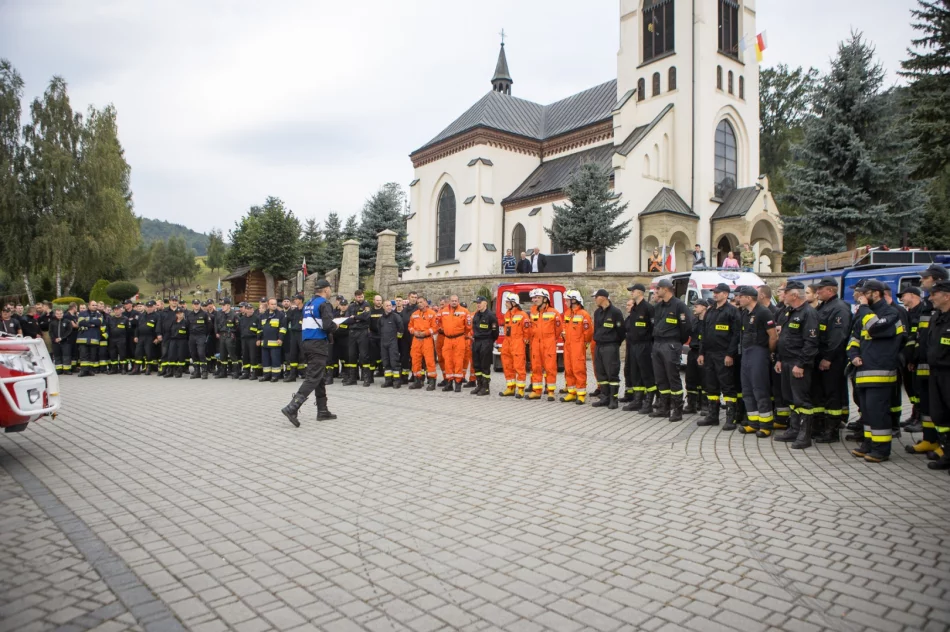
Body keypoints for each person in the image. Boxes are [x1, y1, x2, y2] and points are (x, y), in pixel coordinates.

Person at [848, 279, 904, 462]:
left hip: (880, 372)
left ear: (876, 294)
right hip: (862, 371)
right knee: (867, 412)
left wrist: (864, 309)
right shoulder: (865, 314)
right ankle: (869, 444)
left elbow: (875, 328)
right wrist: (854, 355)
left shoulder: (891, 314)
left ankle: (881, 450)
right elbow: (854, 338)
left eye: (865, 294)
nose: (861, 297)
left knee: (878, 412)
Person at [282, 279, 340, 426]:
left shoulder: (308, 303)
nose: (330, 291)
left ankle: (322, 410)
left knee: (319, 376)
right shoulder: (324, 304)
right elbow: (327, 325)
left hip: (306, 343)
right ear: (326, 289)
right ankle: (292, 407)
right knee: (313, 377)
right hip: (318, 343)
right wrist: (336, 326)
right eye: (330, 289)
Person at [906, 264, 948, 457]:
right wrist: (912, 356)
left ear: (937, 280)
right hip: (924, 363)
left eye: (926, 278)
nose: (922, 281)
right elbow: (919, 334)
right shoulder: (928, 305)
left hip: (940, 367)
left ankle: (942, 444)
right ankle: (930, 439)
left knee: (940, 407)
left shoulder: (939, 307)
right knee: (928, 404)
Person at [774, 281, 820, 449]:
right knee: (790, 398)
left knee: (802, 400)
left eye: (785, 292)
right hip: (786, 362)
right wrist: (779, 359)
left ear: (794, 295)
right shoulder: (788, 312)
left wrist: (801, 364)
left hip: (798, 363)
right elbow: (783, 338)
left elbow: (811, 343)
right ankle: (793, 429)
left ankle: (804, 434)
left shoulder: (808, 313)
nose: (782, 295)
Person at [811, 278, 851, 443]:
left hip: (833, 359)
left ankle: (832, 431)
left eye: (820, 289)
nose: (817, 292)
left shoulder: (839, 308)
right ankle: (820, 426)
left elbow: (838, 337)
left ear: (830, 290)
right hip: (820, 357)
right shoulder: (824, 306)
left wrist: (828, 358)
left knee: (832, 394)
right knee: (820, 393)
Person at [734, 286, 778, 437]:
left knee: (760, 389)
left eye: (741, 296)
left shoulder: (764, 312)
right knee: (747, 389)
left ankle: (766, 425)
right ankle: (753, 423)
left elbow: (773, 336)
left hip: (759, 352)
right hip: (747, 352)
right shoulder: (745, 313)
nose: (738, 298)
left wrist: (769, 352)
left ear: (749, 298)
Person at [698, 283, 741, 428]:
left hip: (724, 354)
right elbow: (703, 334)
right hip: (709, 354)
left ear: (726, 294)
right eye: (714, 292)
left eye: (717, 292)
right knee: (711, 385)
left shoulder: (732, 311)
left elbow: (736, 335)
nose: (714, 294)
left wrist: (730, 354)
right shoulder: (710, 311)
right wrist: (701, 353)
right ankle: (712, 416)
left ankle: (731, 418)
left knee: (727, 386)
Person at [650, 279, 691, 421]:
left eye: (658, 288)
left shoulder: (679, 306)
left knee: (673, 377)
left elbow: (686, 328)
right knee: (660, 378)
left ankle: (677, 409)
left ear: (666, 289)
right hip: (658, 344)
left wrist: (677, 343)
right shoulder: (658, 307)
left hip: (671, 344)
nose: (656, 291)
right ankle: (664, 408)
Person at [924, 279, 950, 470]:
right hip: (936, 373)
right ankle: (947, 454)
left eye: (934, 294)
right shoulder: (937, 317)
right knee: (939, 416)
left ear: (947, 296)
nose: (930, 297)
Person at [624, 283, 656, 413]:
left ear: (640, 292)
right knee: (635, 372)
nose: (631, 292)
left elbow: (653, 327)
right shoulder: (634, 309)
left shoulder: (648, 308)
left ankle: (648, 402)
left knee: (646, 373)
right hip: (633, 345)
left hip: (645, 345)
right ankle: (637, 400)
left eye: (633, 290)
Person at [591, 289, 625, 409]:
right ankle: (605, 397)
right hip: (599, 346)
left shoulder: (615, 312)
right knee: (601, 373)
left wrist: (615, 343)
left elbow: (621, 331)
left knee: (612, 373)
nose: (594, 299)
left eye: (596, 297)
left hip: (611, 346)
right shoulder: (597, 313)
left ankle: (613, 399)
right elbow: (596, 329)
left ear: (603, 297)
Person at [526, 288, 561, 400]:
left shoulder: (554, 312)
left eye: (538, 297)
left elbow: (558, 329)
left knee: (550, 367)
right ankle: (536, 391)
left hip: (548, 343)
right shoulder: (533, 312)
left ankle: (550, 391)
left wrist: (551, 339)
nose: (535, 299)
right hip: (535, 343)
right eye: (534, 297)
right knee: (535, 367)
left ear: (545, 299)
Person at [561, 290, 593, 403]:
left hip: (578, 345)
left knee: (578, 369)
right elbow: (564, 325)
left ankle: (581, 394)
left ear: (574, 300)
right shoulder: (567, 313)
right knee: (569, 369)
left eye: (567, 300)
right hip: (568, 345)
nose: (565, 302)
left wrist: (584, 343)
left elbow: (588, 331)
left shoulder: (584, 314)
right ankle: (572, 392)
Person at [437, 295, 470, 392]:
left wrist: (463, 333)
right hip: (447, 339)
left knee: (458, 361)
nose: (454, 302)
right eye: (452, 301)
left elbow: (468, 326)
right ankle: (449, 383)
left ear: (458, 301)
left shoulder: (464, 311)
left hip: (459, 338)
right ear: (449, 302)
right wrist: (442, 329)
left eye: (455, 301)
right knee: (448, 361)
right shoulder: (443, 311)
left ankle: (458, 383)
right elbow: (437, 322)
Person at [499, 292, 529, 398]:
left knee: (519, 366)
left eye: (507, 302)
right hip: (507, 342)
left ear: (513, 303)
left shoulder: (523, 315)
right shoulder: (507, 314)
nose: (505, 304)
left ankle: (520, 389)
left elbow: (527, 331)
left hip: (517, 342)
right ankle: (510, 387)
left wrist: (523, 341)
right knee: (507, 365)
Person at [470, 295, 499, 395]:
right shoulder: (476, 315)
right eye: (477, 303)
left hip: (486, 342)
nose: (478, 305)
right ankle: (479, 385)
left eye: (479, 303)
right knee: (476, 365)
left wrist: (489, 341)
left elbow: (495, 332)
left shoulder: (491, 316)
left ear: (485, 303)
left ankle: (486, 387)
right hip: (476, 341)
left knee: (484, 365)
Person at [408, 295, 438, 390]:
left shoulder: (432, 314)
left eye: (421, 302)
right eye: (418, 303)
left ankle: (432, 381)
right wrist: (414, 331)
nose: (419, 304)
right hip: (416, 340)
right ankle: (418, 381)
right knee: (415, 361)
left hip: (427, 340)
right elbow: (410, 326)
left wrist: (425, 333)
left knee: (429, 361)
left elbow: (435, 328)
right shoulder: (414, 314)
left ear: (426, 302)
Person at [686, 298, 709, 421]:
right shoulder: (694, 321)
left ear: (704, 307)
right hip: (693, 352)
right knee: (691, 378)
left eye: (696, 306)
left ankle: (705, 405)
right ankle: (691, 404)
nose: (694, 308)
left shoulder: (708, 321)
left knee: (705, 380)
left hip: (704, 353)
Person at [344, 290, 372, 385]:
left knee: (364, 356)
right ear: (355, 297)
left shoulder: (366, 305)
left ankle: (366, 378)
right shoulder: (351, 306)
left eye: (361, 297)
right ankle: (353, 378)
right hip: (352, 333)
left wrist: (354, 317)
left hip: (362, 332)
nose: (360, 298)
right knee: (352, 355)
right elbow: (347, 319)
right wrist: (358, 318)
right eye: (358, 297)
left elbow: (366, 317)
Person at [258, 297, 287, 382]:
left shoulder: (280, 315)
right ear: (268, 304)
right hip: (265, 342)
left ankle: (275, 375)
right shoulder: (263, 315)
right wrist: (258, 339)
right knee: (265, 360)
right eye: (272, 304)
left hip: (275, 342)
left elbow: (283, 328)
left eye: (275, 304)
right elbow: (259, 328)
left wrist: (280, 338)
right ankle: (266, 375)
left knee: (275, 359)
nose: (274, 306)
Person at [377, 298, 403, 388]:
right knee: (386, 362)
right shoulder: (381, 319)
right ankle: (388, 380)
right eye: (387, 306)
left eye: (390, 306)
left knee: (394, 362)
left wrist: (396, 340)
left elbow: (401, 329)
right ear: (383, 307)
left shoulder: (396, 317)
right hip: (383, 343)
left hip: (393, 343)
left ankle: (397, 381)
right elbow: (379, 330)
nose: (389, 307)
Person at [214, 298, 240, 379]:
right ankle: (223, 372)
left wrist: (233, 334)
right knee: (222, 355)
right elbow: (216, 323)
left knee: (232, 355)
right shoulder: (219, 314)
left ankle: (236, 372)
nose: (222, 307)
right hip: (222, 336)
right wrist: (217, 332)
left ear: (228, 305)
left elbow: (238, 327)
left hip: (230, 336)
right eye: (221, 305)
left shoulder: (234, 315)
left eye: (224, 305)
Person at [133, 300, 160, 375]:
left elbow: (158, 328)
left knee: (149, 353)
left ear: (153, 307)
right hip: (141, 337)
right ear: (145, 307)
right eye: (148, 307)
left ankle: (148, 368)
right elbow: (137, 327)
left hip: (150, 337)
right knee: (138, 352)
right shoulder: (141, 315)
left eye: (150, 307)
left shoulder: (157, 316)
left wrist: (157, 338)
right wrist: (136, 336)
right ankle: (136, 369)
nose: (149, 308)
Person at [185, 299, 210, 379]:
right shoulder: (189, 314)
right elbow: (187, 326)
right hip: (192, 336)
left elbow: (209, 326)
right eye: (194, 304)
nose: (196, 305)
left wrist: (204, 334)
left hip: (201, 336)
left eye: (197, 304)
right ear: (192, 305)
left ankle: (204, 371)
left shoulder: (204, 314)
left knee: (201, 353)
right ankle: (197, 371)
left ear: (200, 305)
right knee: (193, 354)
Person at [282, 295, 304, 382]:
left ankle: (306, 373)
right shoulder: (293, 311)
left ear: (301, 300)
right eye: (294, 299)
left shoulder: (305, 310)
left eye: (296, 299)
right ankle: (292, 375)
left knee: (304, 354)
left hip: (302, 333)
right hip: (293, 334)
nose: (294, 301)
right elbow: (287, 319)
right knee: (293, 354)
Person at [166, 308, 189, 378]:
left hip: (182, 340)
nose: (179, 314)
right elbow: (169, 331)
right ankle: (170, 371)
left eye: (181, 313)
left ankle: (179, 371)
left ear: (183, 313)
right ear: (176, 314)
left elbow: (188, 333)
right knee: (171, 355)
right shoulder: (173, 322)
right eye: (178, 313)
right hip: (173, 340)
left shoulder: (186, 322)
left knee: (180, 356)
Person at [49, 307, 73, 374]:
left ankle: (67, 370)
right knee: (57, 356)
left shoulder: (67, 321)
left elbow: (69, 331)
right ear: (55, 314)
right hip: (55, 342)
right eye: (57, 314)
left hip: (65, 341)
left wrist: (62, 338)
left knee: (66, 355)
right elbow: (50, 332)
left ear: (63, 314)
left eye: (60, 313)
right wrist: (54, 339)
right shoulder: (52, 322)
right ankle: (58, 370)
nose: (59, 315)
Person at [106, 304, 129, 374]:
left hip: (121, 339)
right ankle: (114, 369)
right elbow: (108, 329)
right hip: (112, 339)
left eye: (118, 309)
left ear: (121, 310)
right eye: (115, 310)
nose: (116, 311)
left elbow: (128, 330)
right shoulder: (110, 319)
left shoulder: (125, 319)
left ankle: (123, 368)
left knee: (122, 354)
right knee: (113, 354)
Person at [394, 297, 412, 385]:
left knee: (405, 357)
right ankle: (397, 375)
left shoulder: (406, 312)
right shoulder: (392, 313)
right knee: (397, 357)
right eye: (396, 301)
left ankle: (405, 376)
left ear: (403, 302)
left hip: (405, 338)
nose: (398, 302)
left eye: (399, 301)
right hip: (395, 339)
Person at [368, 294, 385, 378]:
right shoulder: (370, 311)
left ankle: (381, 370)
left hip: (382, 336)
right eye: (377, 300)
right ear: (374, 301)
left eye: (380, 300)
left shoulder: (384, 311)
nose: (379, 302)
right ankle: (370, 376)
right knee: (373, 355)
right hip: (373, 336)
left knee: (382, 355)